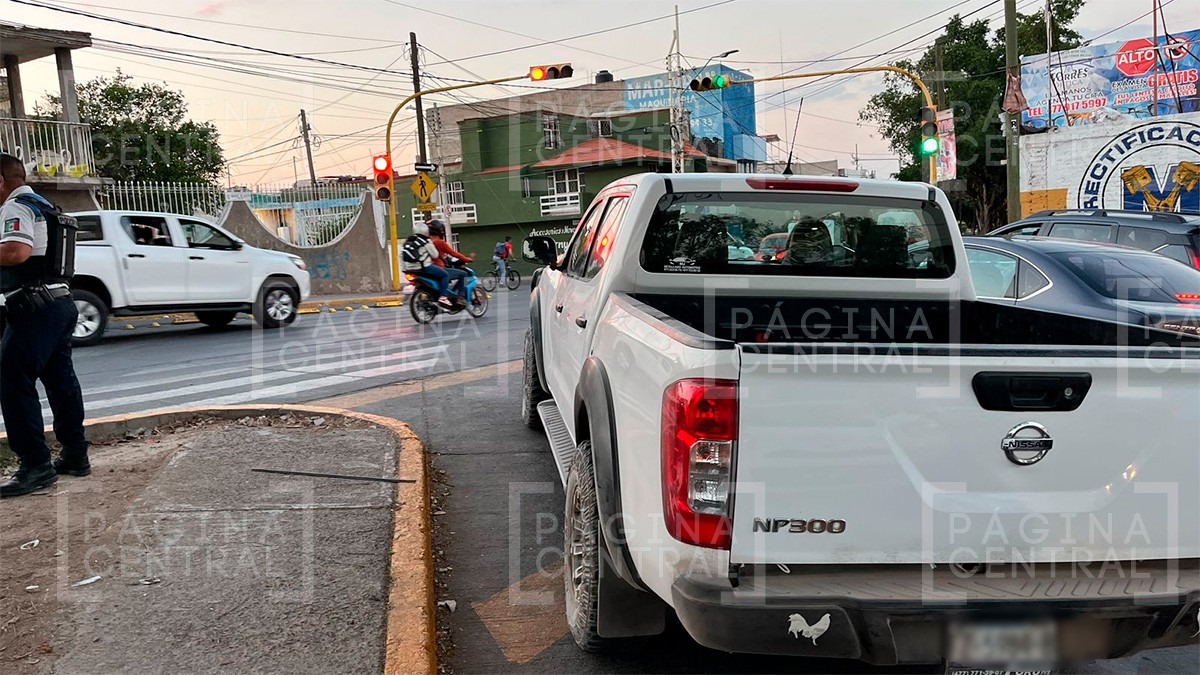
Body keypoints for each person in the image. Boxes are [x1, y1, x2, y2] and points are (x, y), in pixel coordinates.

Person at [0, 153, 89, 498]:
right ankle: (74, 454)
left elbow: (15, 252)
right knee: (60, 380)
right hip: (59, 303)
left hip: (34, 308)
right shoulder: (46, 206)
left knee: (12, 380)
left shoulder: (16, 206)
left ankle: (35, 466)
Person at [401, 220, 453, 307]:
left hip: (409, 269)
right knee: (445, 275)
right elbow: (435, 255)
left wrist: (405, 268)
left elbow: (401, 255)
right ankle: (443, 297)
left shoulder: (408, 241)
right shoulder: (426, 241)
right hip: (424, 267)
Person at [426, 220, 473, 302]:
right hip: (439, 268)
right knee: (464, 274)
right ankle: (460, 297)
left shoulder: (426, 242)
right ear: (440, 231)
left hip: (428, 269)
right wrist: (466, 259)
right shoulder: (440, 242)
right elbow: (454, 253)